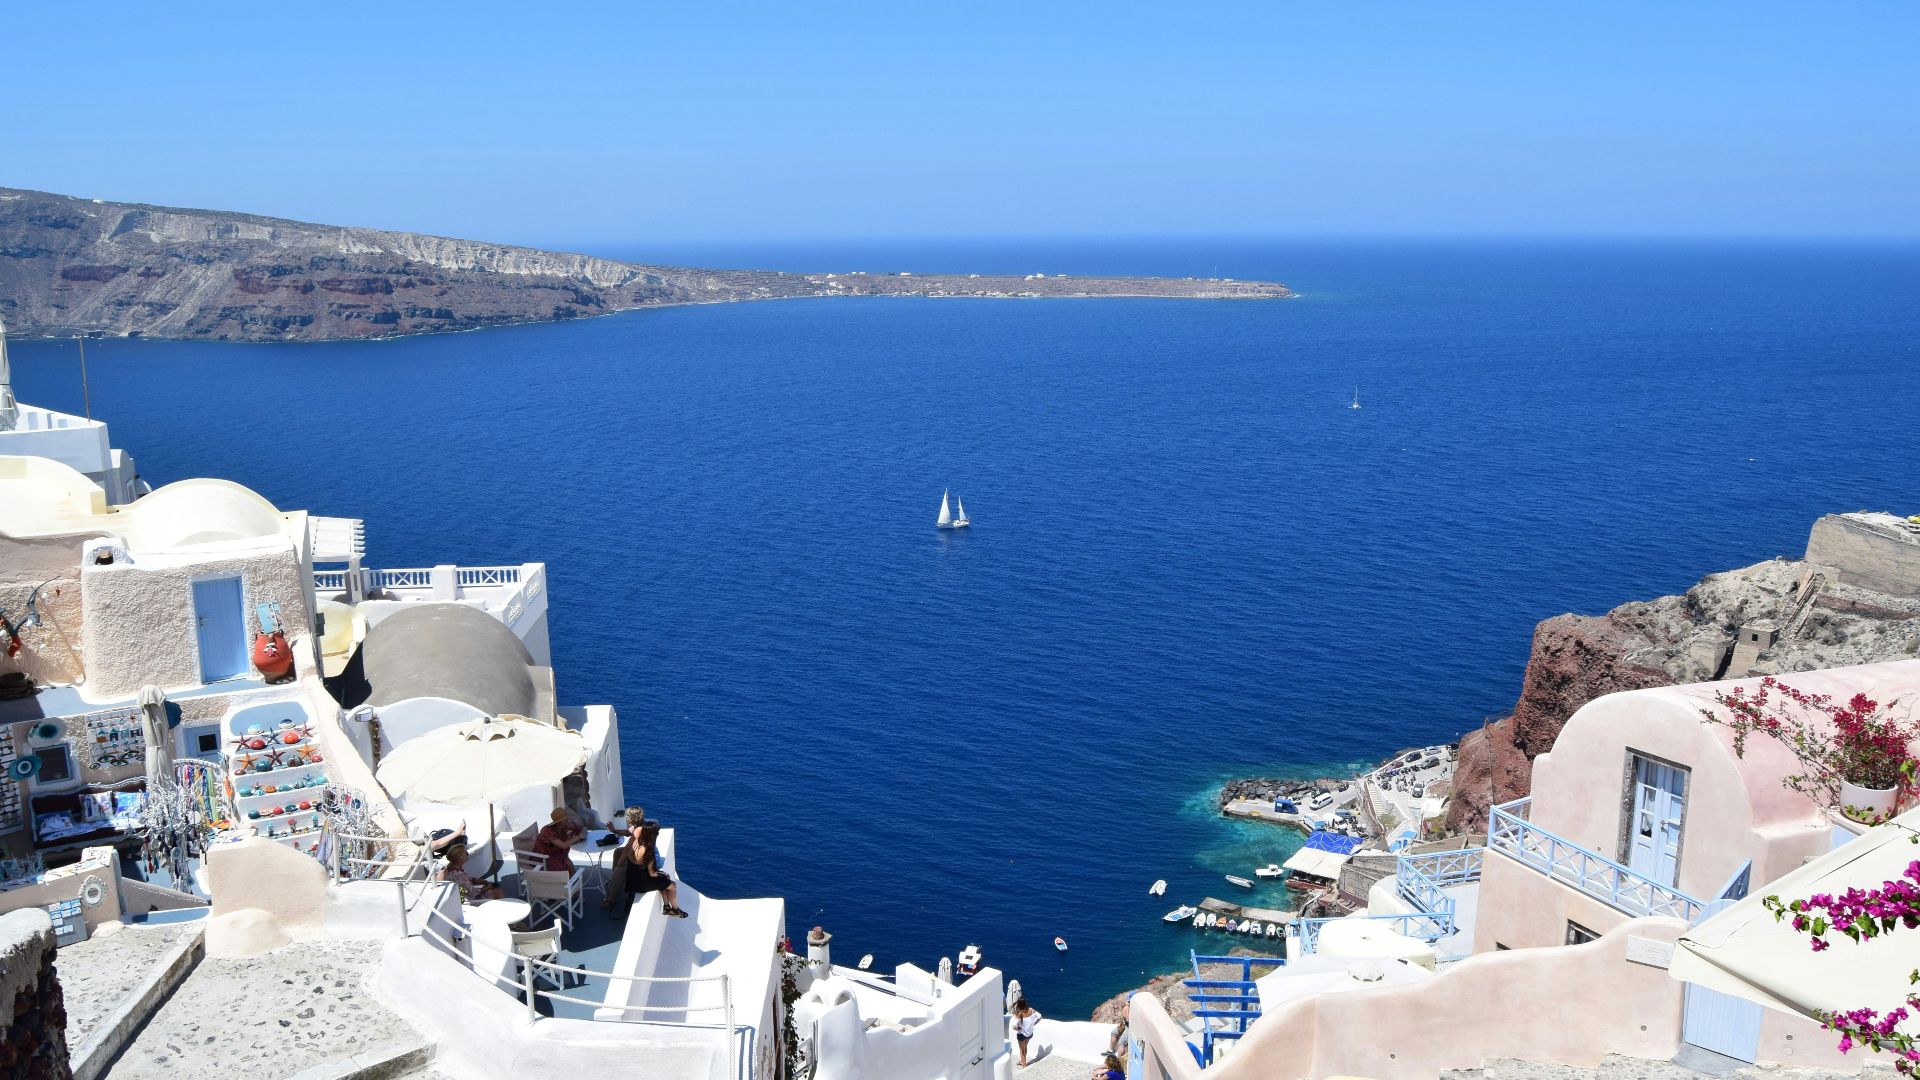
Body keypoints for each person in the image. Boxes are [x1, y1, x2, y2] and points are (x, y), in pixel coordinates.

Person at [603, 807, 688, 919]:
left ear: (632, 818)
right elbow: (627, 833)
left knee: (621, 869)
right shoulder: (638, 826)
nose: (626, 818)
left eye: (628, 817)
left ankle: (611, 898)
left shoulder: (641, 829)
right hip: (644, 856)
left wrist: (620, 863)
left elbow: (628, 848)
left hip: (651, 858)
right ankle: (616, 880)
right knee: (618, 852)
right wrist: (614, 830)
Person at [531, 807, 584, 872]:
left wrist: (580, 830)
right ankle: (565, 877)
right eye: (566, 820)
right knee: (566, 869)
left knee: (569, 866)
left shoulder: (563, 826)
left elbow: (581, 828)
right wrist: (578, 837)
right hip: (544, 858)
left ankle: (571, 877)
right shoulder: (547, 831)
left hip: (557, 854)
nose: (568, 820)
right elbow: (563, 845)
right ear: (559, 822)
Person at [1011, 997, 1041, 1068]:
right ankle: (1022, 1060)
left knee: (1022, 1049)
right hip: (1029, 1033)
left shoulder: (1019, 1013)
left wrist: (1019, 1029)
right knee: (1025, 1047)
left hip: (1022, 1035)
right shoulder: (1031, 1010)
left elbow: (1014, 1027)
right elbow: (1040, 1017)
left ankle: (1024, 1064)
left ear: (1019, 1005)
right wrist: (1034, 1024)